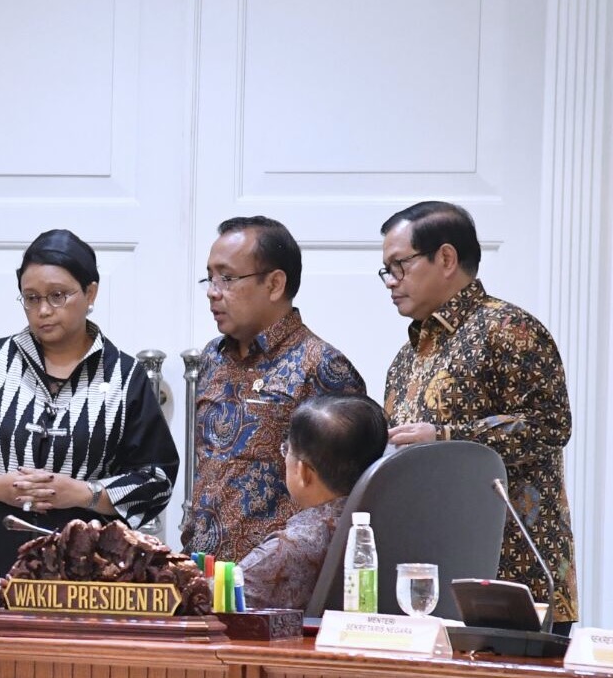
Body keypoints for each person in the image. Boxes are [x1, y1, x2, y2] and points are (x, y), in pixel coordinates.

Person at [0, 229, 179, 597]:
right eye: (31, 298)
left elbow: (156, 478)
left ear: (90, 293)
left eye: (58, 296)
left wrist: (83, 494)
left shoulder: (125, 376)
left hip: (91, 563)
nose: (43, 310)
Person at [379, 201, 577, 628]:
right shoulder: (405, 359)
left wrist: (446, 436)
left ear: (446, 258)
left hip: (514, 575)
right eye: (386, 270)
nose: (391, 282)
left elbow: (550, 426)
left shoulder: (509, 329)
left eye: (400, 266)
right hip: (430, 576)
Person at [183, 216, 366, 563]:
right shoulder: (211, 357)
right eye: (209, 277)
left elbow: (344, 503)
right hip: (204, 572)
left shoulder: (322, 365)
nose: (212, 290)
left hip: (277, 584)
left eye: (227, 277)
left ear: (275, 284)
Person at [238, 395, 387, 610]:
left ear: (303, 472)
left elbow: (211, 602)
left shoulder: (286, 551)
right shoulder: (396, 528)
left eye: (286, 450)